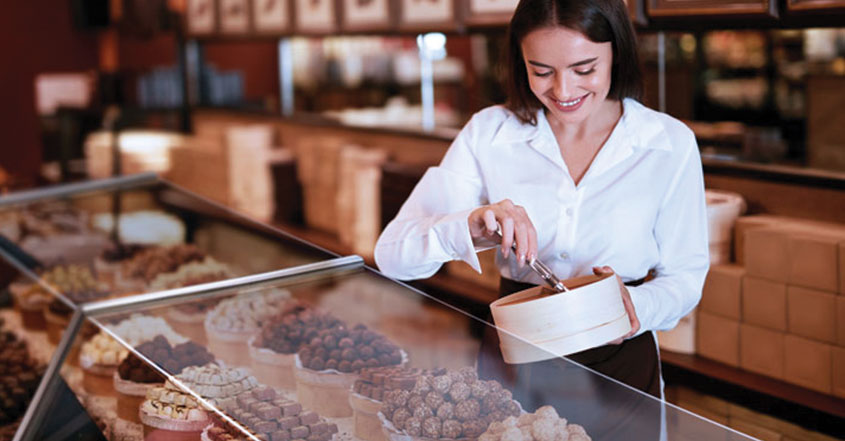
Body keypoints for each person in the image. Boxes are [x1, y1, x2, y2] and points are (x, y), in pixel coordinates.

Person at [375, 0, 709, 435]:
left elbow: (685, 276)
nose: (563, 90)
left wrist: (635, 307)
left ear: (617, 53)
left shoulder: (667, 143)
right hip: (516, 357)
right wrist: (470, 226)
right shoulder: (490, 132)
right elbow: (392, 255)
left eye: (584, 69)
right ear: (520, 61)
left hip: (620, 360)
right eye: (542, 71)